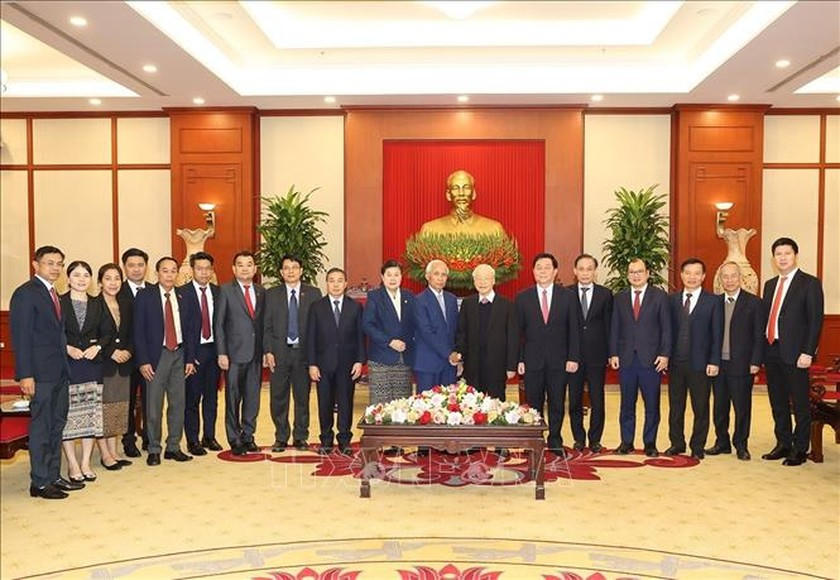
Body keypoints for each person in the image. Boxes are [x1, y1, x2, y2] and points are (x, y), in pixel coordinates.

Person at [10, 246, 80, 499]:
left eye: (59, 263)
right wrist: (25, 375)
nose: (55, 268)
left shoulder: (53, 293)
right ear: (35, 265)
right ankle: (39, 483)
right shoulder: (26, 294)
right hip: (39, 374)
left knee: (57, 425)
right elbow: (21, 338)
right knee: (42, 427)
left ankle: (53, 476)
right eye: (50, 263)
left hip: (59, 371)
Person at [761, 237, 824, 466]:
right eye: (778, 254)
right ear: (773, 258)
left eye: (787, 253)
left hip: (797, 353)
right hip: (771, 349)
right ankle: (783, 443)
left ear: (795, 256)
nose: (783, 258)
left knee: (799, 403)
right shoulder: (769, 285)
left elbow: (815, 321)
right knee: (777, 401)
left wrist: (808, 352)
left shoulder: (809, 283)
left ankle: (800, 448)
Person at [133, 257, 198, 466]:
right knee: (153, 406)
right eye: (165, 271)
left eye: (173, 271)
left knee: (178, 404)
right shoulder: (145, 296)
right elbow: (138, 331)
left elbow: (191, 330)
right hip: (156, 357)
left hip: (179, 354)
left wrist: (190, 359)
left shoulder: (184, 296)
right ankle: (154, 448)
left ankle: (173, 447)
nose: (169, 275)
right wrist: (143, 361)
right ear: (157, 273)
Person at [515, 253, 580, 455]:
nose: (543, 271)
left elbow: (574, 329)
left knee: (557, 403)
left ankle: (555, 440)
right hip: (532, 360)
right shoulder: (523, 297)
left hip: (559, 361)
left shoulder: (568, 296)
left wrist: (573, 357)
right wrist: (519, 359)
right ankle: (534, 441)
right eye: (539, 268)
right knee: (533, 404)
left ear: (555, 271)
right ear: (533, 272)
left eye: (547, 267)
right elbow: (518, 333)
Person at [609, 258, 671, 457]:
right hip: (626, 359)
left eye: (639, 271)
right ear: (627, 275)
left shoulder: (659, 296)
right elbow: (614, 327)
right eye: (632, 272)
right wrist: (613, 353)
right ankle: (626, 442)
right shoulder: (620, 298)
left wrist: (665, 354)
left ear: (647, 273)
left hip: (651, 360)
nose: (636, 275)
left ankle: (650, 443)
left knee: (652, 404)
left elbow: (666, 328)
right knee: (627, 404)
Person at [60, 260, 114, 481]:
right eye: (76, 275)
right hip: (68, 364)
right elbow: (52, 332)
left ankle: (85, 463)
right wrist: (66, 348)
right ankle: (73, 465)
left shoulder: (97, 303)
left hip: (92, 365)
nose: (81, 279)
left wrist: (98, 347)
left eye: (85, 275)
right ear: (68, 278)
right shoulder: (59, 302)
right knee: (69, 416)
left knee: (91, 415)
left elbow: (108, 332)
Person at [707, 261, 765, 460]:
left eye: (733, 276)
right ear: (720, 280)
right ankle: (721, 442)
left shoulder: (754, 303)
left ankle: (741, 444)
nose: (729, 280)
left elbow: (758, 335)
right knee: (719, 407)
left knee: (742, 408)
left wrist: (756, 361)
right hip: (719, 364)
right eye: (725, 276)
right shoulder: (714, 302)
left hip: (742, 364)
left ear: (740, 278)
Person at [666, 258, 722, 460]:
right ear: (681, 275)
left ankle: (697, 446)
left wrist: (714, 361)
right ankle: (677, 443)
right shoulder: (671, 300)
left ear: (703, 276)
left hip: (701, 364)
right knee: (676, 406)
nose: (692, 277)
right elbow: (666, 332)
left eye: (697, 273)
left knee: (701, 407)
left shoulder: (713, 301)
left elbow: (717, 334)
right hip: (676, 363)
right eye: (688, 273)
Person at [263, 255, 321, 452]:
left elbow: (317, 327)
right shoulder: (271, 294)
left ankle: (300, 437)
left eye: (294, 267)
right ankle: (281, 436)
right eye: (286, 268)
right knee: (278, 397)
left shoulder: (313, 293)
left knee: (302, 398)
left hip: (303, 354)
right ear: (281, 272)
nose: (290, 271)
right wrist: (268, 350)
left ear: (301, 271)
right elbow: (266, 326)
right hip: (279, 353)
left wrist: (315, 357)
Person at [307, 268, 365, 455]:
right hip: (323, 364)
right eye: (332, 280)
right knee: (324, 403)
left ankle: (345, 440)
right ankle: (326, 440)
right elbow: (311, 337)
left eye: (340, 280)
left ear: (346, 284)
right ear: (326, 283)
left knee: (346, 403)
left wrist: (359, 361)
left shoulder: (355, 307)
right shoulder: (317, 307)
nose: (336, 284)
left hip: (347, 364)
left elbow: (360, 337)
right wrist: (312, 364)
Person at [215, 251, 265, 456]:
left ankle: (248, 436)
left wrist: (266, 350)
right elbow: (219, 324)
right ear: (234, 269)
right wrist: (222, 353)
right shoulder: (225, 290)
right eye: (241, 265)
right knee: (233, 398)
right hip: (233, 355)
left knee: (253, 398)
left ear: (255, 269)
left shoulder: (261, 291)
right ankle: (234, 438)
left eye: (249, 264)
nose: (245, 268)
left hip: (256, 354)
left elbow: (263, 324)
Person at [567, 254, 613, 453]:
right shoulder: (566, 293)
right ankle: (578, 438)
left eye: (589, 269)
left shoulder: (605, 294)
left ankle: (595, 439)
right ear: (575, 271)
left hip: (597, 355)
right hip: (573, 356)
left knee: (597, 399)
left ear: (595, 272)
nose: (585, 273)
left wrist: (611, 353)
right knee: (574, 399)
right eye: (581, 269)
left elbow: (610, 326)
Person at [178, 252, 221, 455]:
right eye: (199, 268)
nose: (204, 272)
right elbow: (181, 329)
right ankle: (193, 440)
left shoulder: (219, 292)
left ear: (212, 271)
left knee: (212, 397)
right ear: (192, 270)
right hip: (193, 353)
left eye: (207, 269)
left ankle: (209, 436)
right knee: (192, 399)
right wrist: (188, 356)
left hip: (214, 351)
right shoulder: (181, 293)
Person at [454, 264, 518, 400]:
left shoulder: (507, 305)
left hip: (497, 367)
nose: (482, 282)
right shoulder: (468, 304)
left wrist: (511, 366)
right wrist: (460, 357)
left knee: (496, 405)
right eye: (478, 279)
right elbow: (462, 333)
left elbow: (513, 338)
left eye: (486, 279)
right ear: (474, 281)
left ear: (493, 280)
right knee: (473, 404)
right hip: (473, 367)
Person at [362, 259, 416, 405]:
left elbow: (415, 324)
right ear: (382, 277)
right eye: (389, 275)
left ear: (401, 277)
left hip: (404, 358)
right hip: (381, 358)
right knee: (380, 406)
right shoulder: (375, 297)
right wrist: (389, 342)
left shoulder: (409, 296)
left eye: (396, 275)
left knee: (402, 405)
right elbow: (367, 325)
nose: (393, 278)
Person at [97, 263, 135, 470]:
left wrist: (128, 350)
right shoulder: (94, 304)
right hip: (104, 364)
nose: (113, 283)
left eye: (117, 278)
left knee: (118, 408)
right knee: (103, 409)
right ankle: (105, 454)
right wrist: (111, 351)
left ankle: (114, 451)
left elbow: (133, 332)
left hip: (124, 364)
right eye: (108, 278)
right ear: (100, 282)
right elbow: (92, 335)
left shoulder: (126, 303)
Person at [118, 247, 149, 457]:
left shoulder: (155, 290)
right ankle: (128, 440)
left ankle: (149, 436)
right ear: (124, 267)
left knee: (151, 401)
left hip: (150, 358)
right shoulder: (116, 291)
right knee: (126, 402)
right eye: (131, 265)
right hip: (125, 358)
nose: (136, 269)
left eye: (140, 265)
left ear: (146, 266)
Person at [413, 259, 459, 392]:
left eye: (443, 275)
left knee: (450, 402)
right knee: (426, 403)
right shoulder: (419, 300)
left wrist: (457, 357)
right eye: (436, 274)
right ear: (428, 276)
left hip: (449, 365)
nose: (440, 278)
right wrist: (449, 354)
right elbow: (426, 332)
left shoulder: (452, 299)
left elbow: (456, 329)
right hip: (428, 363)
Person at [418, 170, 506, 237]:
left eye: (466, 188)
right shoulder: (429, 230)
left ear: (473, 194)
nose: (461, 193)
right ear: (448, 195)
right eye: (455, 188)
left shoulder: (494, 229)